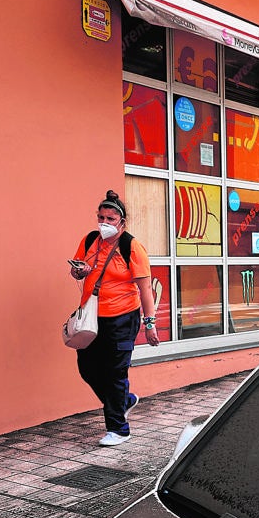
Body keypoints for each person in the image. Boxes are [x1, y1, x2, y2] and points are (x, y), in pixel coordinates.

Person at [70, 190, 160, 446]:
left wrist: (150, 324)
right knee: (87, 368)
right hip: (91, 317)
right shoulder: (89, 241)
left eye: (110, 218)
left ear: (122, 221)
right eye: (101, 217)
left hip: (122, 318)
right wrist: (80, 271)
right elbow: (78, 271)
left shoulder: (131, 246)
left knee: (115, 372)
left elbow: (145, 289)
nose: (105, 223)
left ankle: (119, 429)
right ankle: (124, 401)